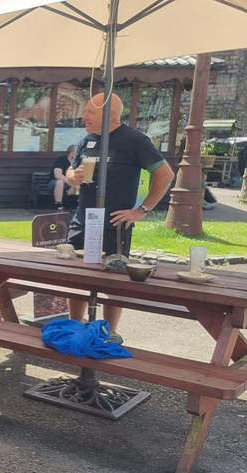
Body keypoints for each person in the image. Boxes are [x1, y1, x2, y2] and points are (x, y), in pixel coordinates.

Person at [64, 93, 174, 335]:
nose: (83, 116)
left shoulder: (134, 140)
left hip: (115, 224)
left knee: (114, 281)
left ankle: (109, 332)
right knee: (76, 277)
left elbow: (165, 174)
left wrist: (142, 210)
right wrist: (75, 176)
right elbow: (70, 174)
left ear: (109, 114)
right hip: (82, 221)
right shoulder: (87, 140)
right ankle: (75, 328)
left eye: (90, 112)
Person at [49, 145, 78, 210]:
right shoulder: (61, 160)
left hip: (71, 184)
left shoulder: (78, 162)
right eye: (77, 152)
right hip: (54, 184)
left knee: (83, 183)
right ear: (71, 153)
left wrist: (73, 187)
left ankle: (79, 206)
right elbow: (58, 175)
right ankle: (58, 204)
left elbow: (78, 177)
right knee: (60, 181)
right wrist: (72, 184)